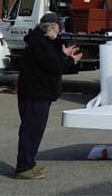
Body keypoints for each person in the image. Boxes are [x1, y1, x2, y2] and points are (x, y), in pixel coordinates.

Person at [15, 13, 82, 180]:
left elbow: (50, 61)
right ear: (51, 27)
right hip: (35, 95)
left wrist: (64, 54)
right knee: (31, 131)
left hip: (37, 94)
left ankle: (29, 163)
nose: (58, 33)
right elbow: (54, 65)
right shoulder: (40, 43)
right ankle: (24, 168)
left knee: (34, 131)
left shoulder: (42, 42)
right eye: (58, 29)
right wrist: (71, 61)